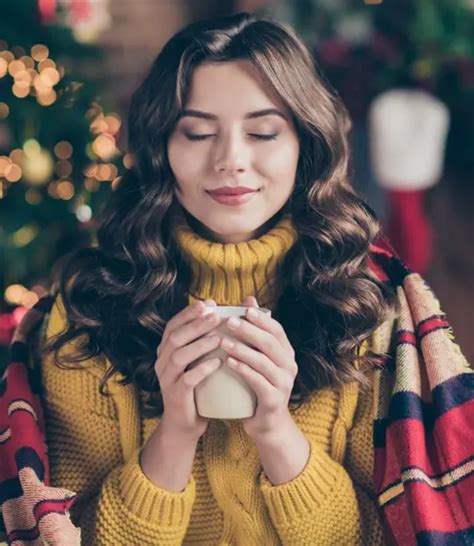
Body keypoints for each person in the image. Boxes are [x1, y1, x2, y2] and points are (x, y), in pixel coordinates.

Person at [25, 11, 471, 546]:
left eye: (262, 132)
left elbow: (386, 535)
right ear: (161, 147)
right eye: (197, 132)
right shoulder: (88, 310)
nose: (231, 160)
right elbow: (61, 536)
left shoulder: (367, 305)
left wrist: (276, 432)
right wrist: (174, 433)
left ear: (306, 144)